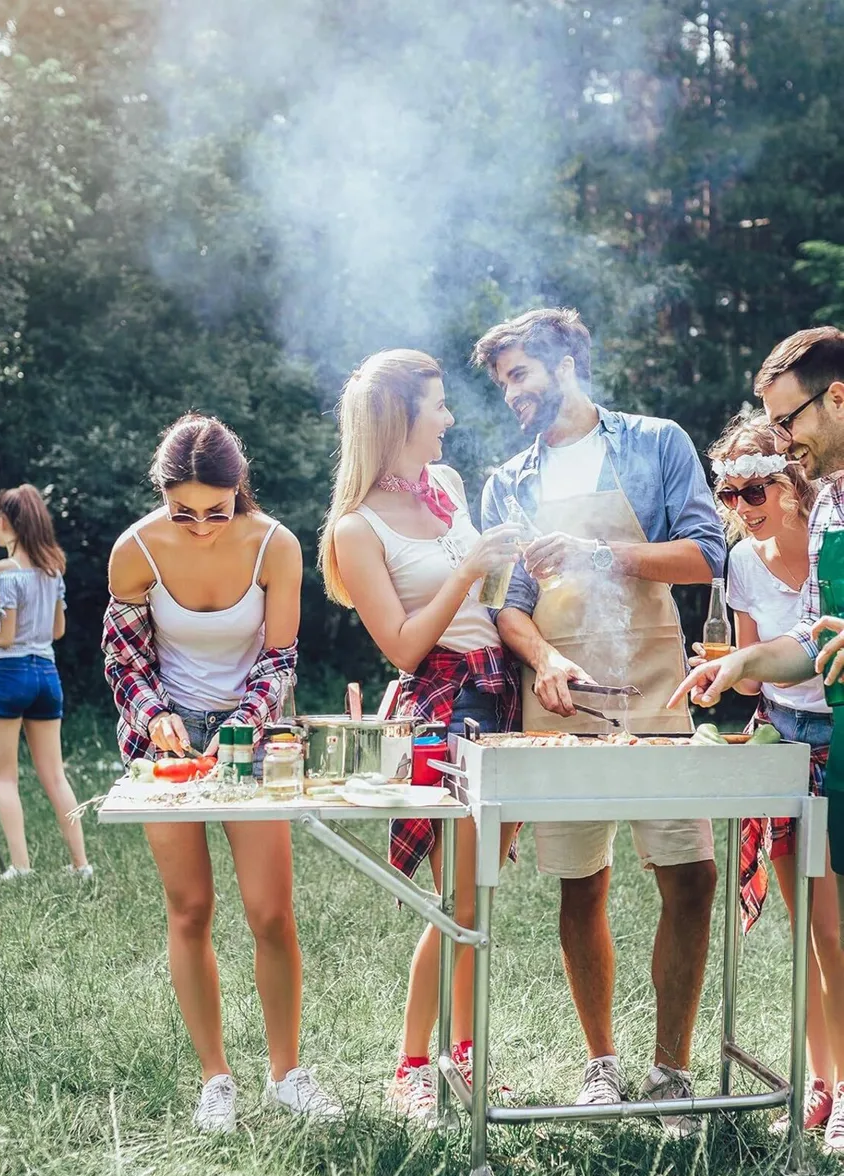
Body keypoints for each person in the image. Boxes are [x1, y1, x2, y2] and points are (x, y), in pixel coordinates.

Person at [474, 307, 726, 1132]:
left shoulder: (655, 442)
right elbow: (508, 606)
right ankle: (601, 1067)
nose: (511, 393)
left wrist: (597, 555)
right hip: (562, 701)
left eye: (520, 374)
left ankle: (672, 1074)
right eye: (503, 381)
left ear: (567, 360)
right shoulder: (506, 481)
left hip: (657, 686)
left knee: (690, 877)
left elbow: (704, 554)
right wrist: (545, 659)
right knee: (582, 885)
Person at [102, 413, 341, 1134]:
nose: (202, 525)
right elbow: (124, 660)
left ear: (241, 491)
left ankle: (287, 1075)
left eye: (218, 509)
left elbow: (279, 657)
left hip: (254, 735)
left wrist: (247, 719)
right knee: (191, 911)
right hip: (166, 742)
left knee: (270, 912)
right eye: (185, 512)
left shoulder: (276, 546)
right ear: (163, 496)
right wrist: (152, 716)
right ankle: (216, 1080)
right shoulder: (134, 549)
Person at [319, 350, 522, 1123]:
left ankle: (462, 1054)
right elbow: (403, 647)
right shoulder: (354, 528)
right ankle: (412, 1066)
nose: (448, 418)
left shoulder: (449, 487)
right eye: (436, 406)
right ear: (398, 418)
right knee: (459, 901)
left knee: (477, 897)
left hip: (496, 692)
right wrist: (469, 570)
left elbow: (486, 603)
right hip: (440, 703)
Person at [671, 326, 844, 1152]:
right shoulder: (745, 560)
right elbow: (777, 662)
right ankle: (824, 1081)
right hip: (785, 738)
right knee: (811, 922)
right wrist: (728, 669)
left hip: (831, 731)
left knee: (835, 928)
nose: (741, 509)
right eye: (730, 495)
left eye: (754, 490)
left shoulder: (826, 529)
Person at [0, 484, 91, 882]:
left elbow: (4, 636)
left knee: (5, 776)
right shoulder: (53, 570)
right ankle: (81, 865)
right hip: (46, 676)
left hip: (9, 675)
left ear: (8, 522)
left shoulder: (5, 571)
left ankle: (21, 867)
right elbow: (58, 629)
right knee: (54, 775)